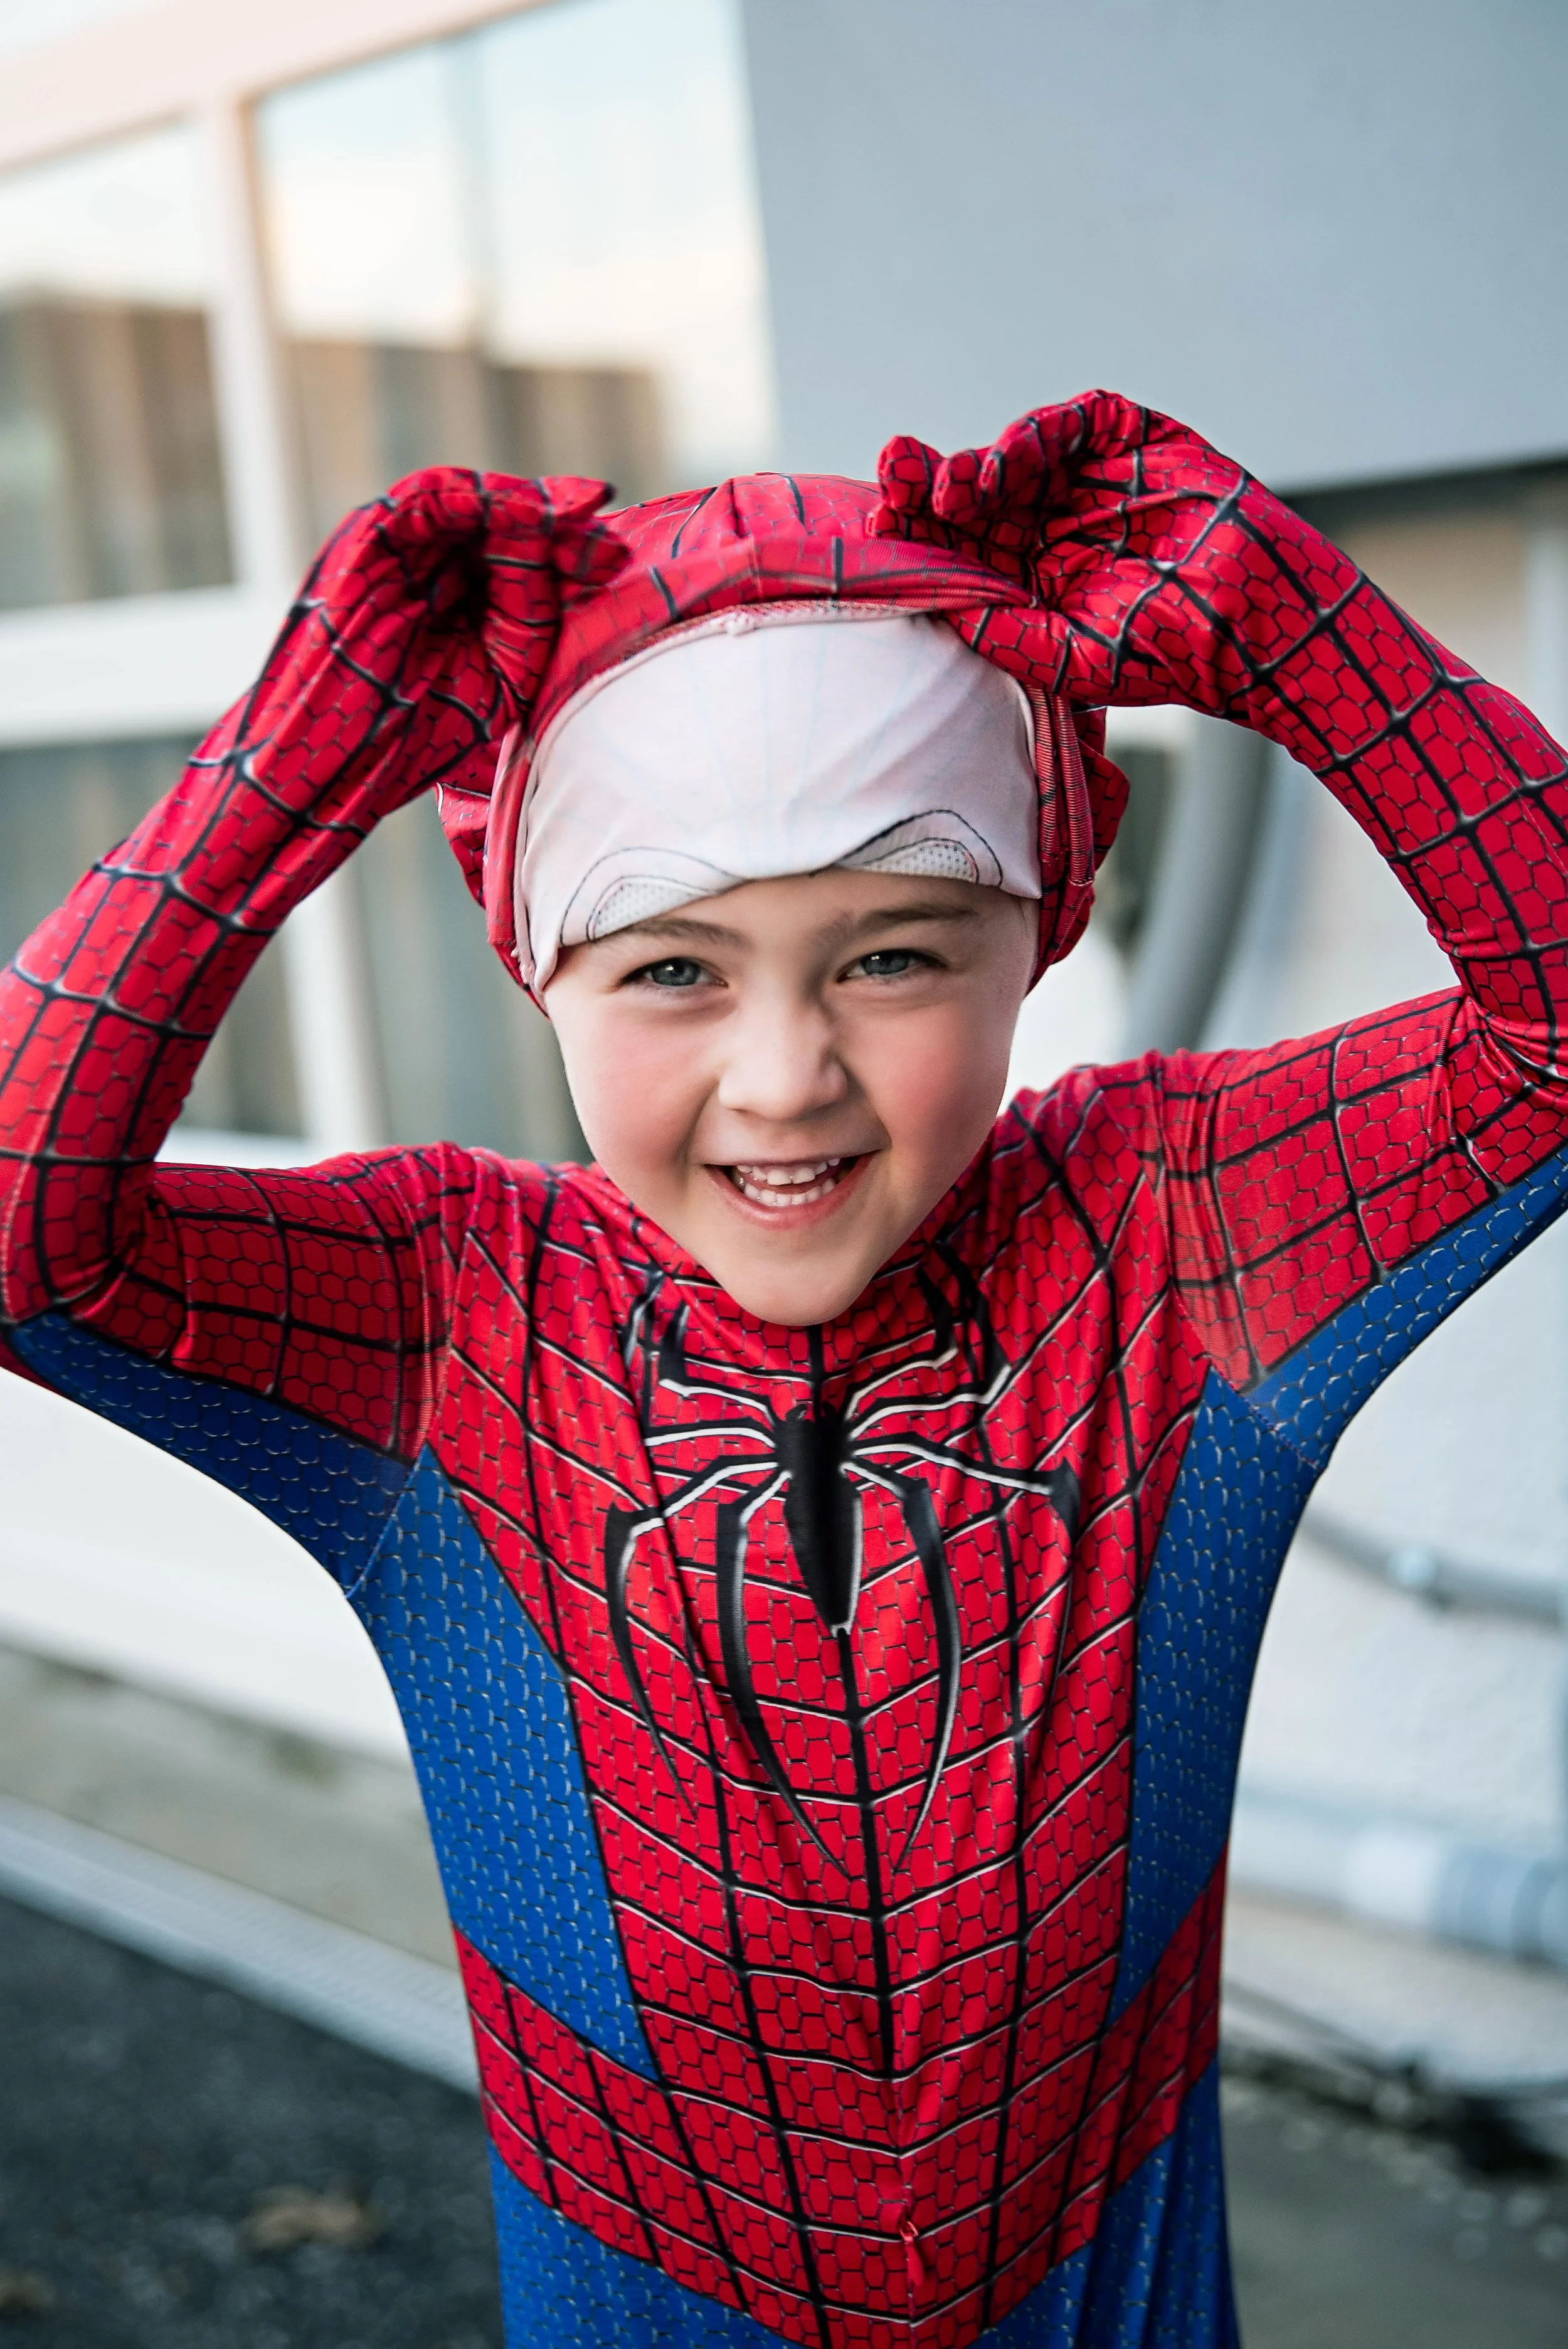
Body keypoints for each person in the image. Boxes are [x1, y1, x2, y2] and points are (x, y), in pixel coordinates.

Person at [1, 391, 1564, 2349]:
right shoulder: (444, 1323)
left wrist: (1294, 630)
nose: (783, 1076)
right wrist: (298, 764)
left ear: (1037, 930)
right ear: (536, 970)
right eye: (669, 968)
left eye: (893, 957)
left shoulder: (1168, 1241)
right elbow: (22, 1233)